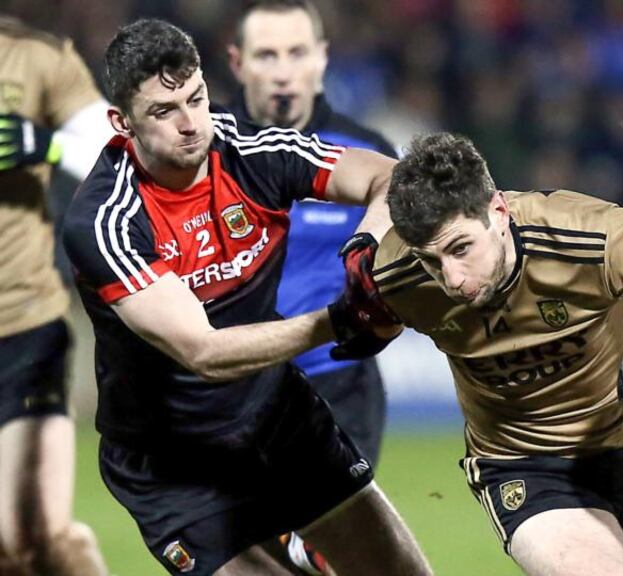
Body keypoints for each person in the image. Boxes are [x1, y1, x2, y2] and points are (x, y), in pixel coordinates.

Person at [60, 19, 431, 576]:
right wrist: (344, 318)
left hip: (281, 421)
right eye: (165, 111)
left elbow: (390, 179)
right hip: (177, 465)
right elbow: (203, 352)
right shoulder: (106, 220)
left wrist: (363, 255)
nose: (191, 125)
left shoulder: (250, 150)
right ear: (122, 122)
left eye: (196, 99)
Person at [342, 132, 623, 576]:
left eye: (460, 249)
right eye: (431, 261)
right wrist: (362, 322)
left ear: (497, 211)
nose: (451, 279)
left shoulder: (591, 236)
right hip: (524, 463)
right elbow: (357, 318)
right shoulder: (394, 277)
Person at [225, 2, 399, 572]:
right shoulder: (205, 153)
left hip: (339, 385)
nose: (282, 70)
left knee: (319, 552)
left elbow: (403, 262)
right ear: (237, 63)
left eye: (297, 52)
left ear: (322, 59)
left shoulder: (365, 155)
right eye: (266, 54)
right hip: (237, 392)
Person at [0, 15, 112, 576]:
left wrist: (45, 146)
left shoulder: (36, 57)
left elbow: (113, 149)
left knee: (34, 534)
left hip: (21, 325)